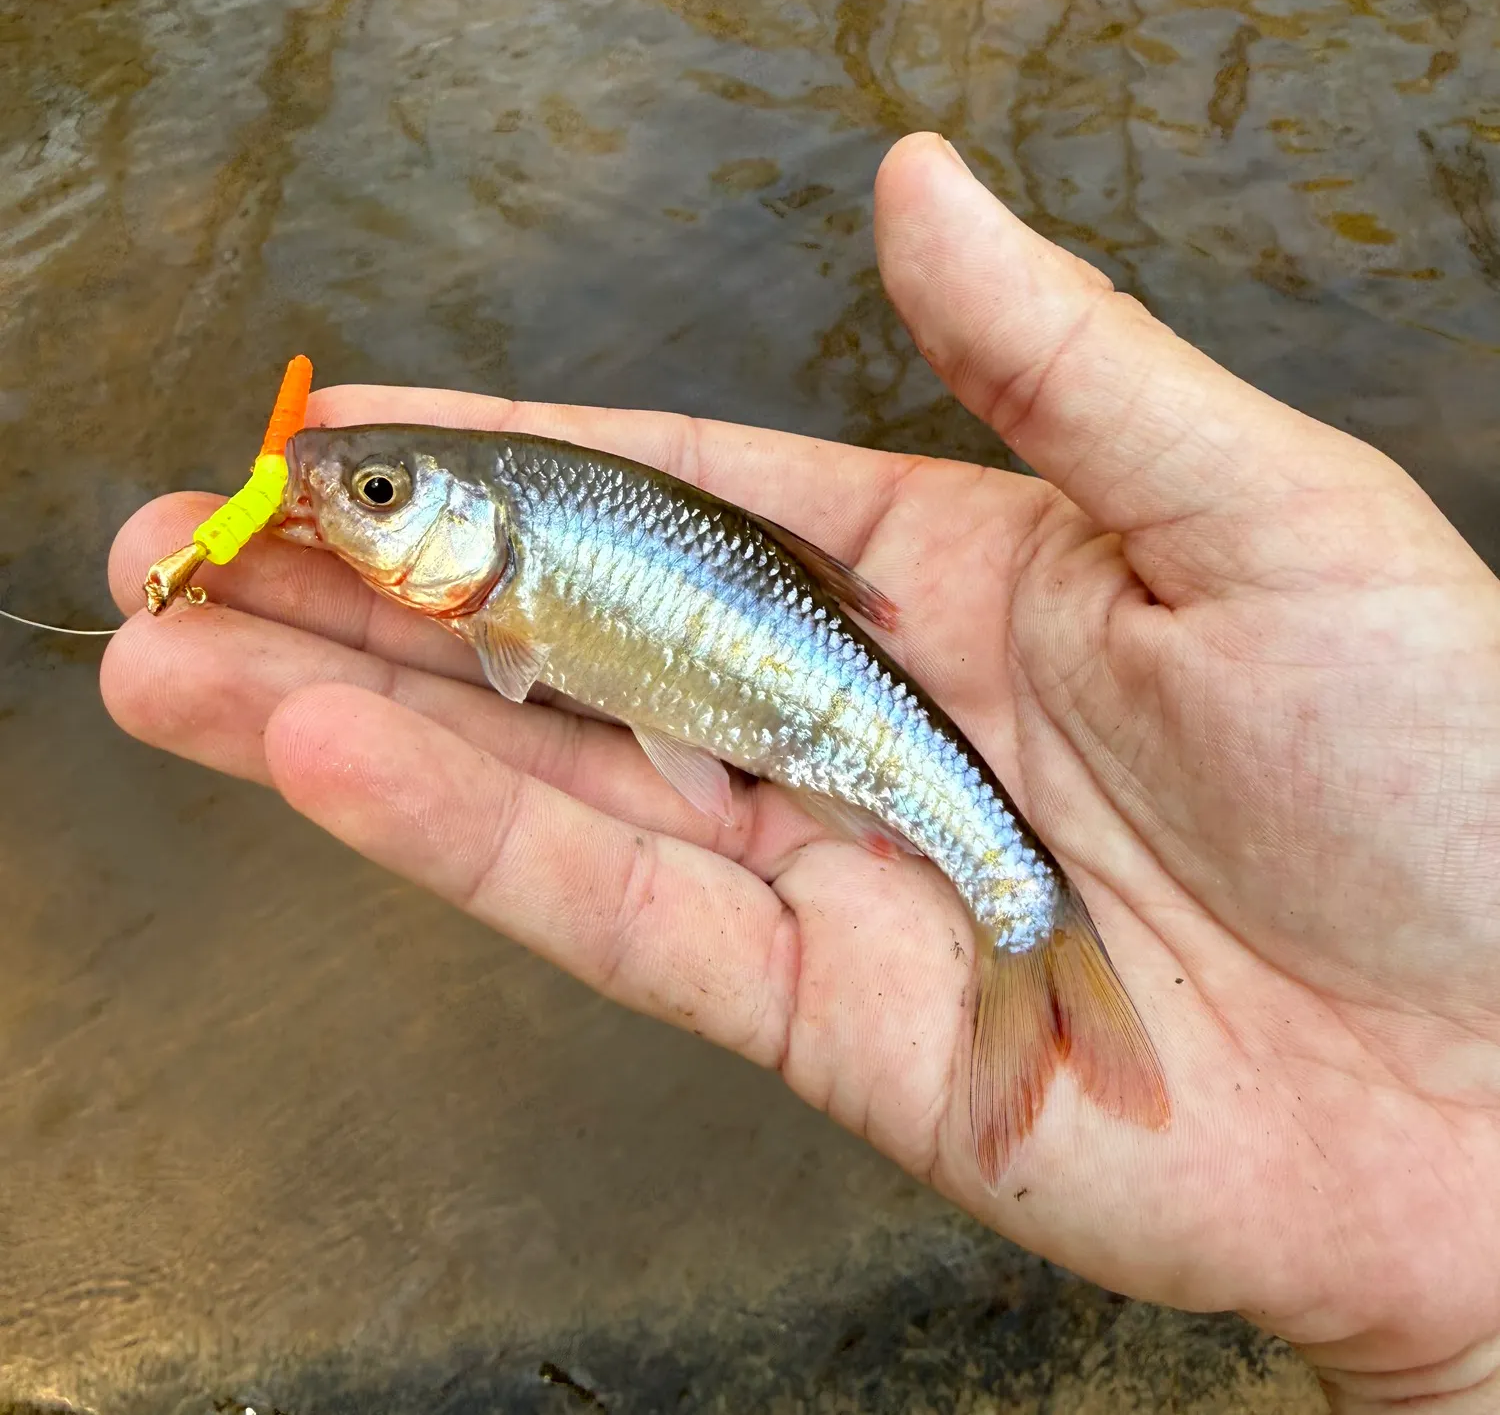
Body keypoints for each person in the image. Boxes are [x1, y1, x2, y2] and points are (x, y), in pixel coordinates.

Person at [101, 132, 1500, 1412]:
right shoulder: (504, 593)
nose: (349, 504)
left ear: (482, 526)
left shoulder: (523, 586)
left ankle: (1027, 920)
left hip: (840, 725)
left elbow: (528, 657)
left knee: (974, 866)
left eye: (380, 496)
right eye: (374, 492)